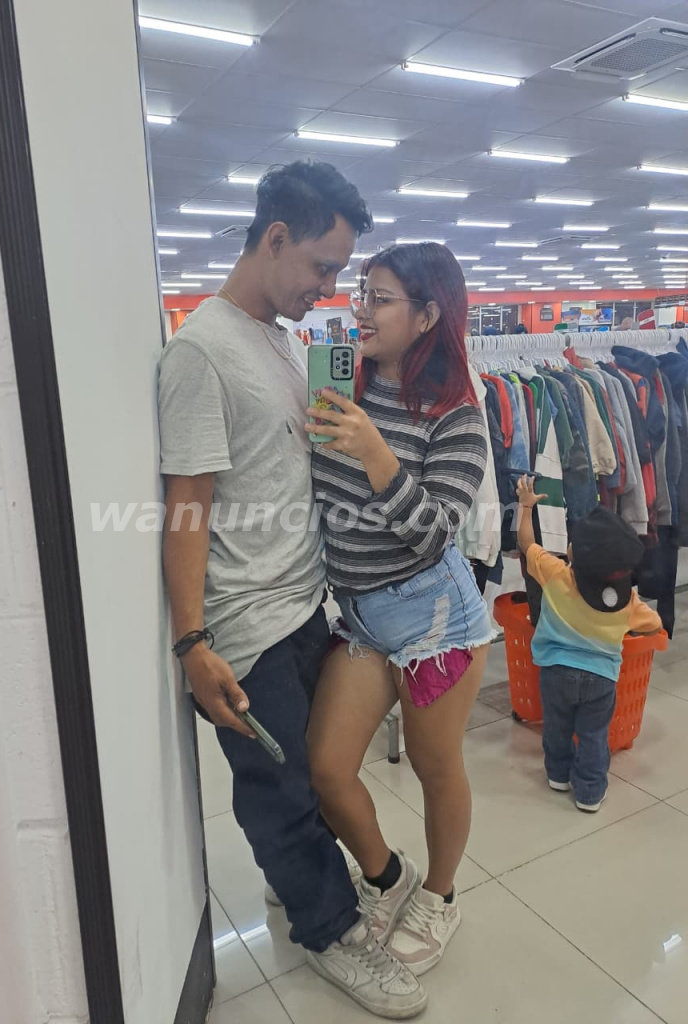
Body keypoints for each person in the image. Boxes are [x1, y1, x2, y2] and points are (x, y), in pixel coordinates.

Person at [158, 162, 428, 1020]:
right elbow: (188, 505)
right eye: (323, 267)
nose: (330, 289)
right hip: (246, 626)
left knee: (312, 777)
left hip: (304, 605)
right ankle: (332, 930)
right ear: (275, 238)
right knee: (280, 798)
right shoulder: (201, 352)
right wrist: (193, 642)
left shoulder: (278, 340)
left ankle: (304, 887)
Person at [306, 243, 494, 977]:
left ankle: (440, 897)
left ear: (426, 315)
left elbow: (435, 533)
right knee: (327, 768)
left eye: (379, 298)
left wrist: (375, 450)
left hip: (434, 618)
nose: (361, 309)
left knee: (433, 765)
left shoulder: (458, 414)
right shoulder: (343, 383)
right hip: (359, 612)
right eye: (361, 293)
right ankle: (388, 877)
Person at [516, 477, 662, 811]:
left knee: (557, 727)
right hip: (601, 679)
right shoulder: (628, 601)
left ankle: (558, 776)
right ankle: (590, 793)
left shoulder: (556, 573)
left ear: (575, 555)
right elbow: (654, 625)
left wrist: (525, 507)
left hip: (555, 672)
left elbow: (526, 543)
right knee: (594, 735)